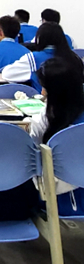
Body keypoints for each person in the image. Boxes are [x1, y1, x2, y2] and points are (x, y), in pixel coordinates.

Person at [30, 56, 84, 214]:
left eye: (44, 87)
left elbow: (34, 159)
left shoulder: (43, 120)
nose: (42, 92)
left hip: (58, 197)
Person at [3, 23, 80, 92]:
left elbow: (7, 74)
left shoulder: (33, 58)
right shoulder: (75, 58)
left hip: (45, 101)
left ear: (39, 38)